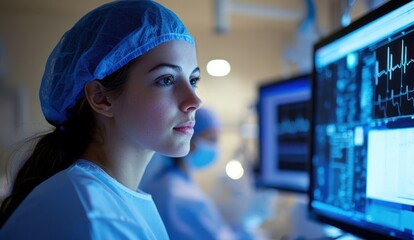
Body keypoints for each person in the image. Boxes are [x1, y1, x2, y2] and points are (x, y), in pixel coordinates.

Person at [0, 1, 201, 239]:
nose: (194, 101)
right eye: (166, 80)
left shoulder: (108, 200)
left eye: (194, 80)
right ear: (101, 98)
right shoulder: (93, 214)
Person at [139, 107, 263, 240]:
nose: (216, 148)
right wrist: (248, 223)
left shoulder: (163, 182)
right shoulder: (182, 196)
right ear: (189, 138)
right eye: (211, 139)